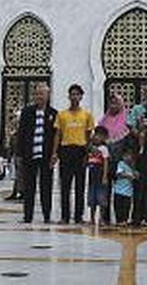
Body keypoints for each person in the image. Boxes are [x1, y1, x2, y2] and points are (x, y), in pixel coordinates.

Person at [15, 82, 56, 224]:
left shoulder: (53, 114)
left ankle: (46, 215)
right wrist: (19, 154)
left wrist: (54, 155)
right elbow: (21, 134)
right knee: (28, 187)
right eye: (37, 94)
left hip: (46, 156)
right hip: (29, 155)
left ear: (47, 96)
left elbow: (56, 137)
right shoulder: (27, 112)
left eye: (42, 94)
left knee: (46, 186)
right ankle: (28, 216)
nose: (39, 97)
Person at [53, 83, 94, 224]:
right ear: (69, 96)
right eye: (72, 94)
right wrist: (55, 153)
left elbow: (89, 135)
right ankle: (65, 216)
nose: (75, 97)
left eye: (77, 94)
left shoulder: (87, 115)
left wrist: (87, 153)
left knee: (80, 186)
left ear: (81, 97)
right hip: (66, 151)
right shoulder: (62, 115)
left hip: (80, 151)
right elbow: (57, 134)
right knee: (65, 185)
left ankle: (78, 216)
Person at [98, 93, 129, 223]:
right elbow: (98, 139)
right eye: (111, 103)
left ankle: (120, 217)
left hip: (120, 162)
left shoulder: (127, 120)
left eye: (116, 103)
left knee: (120, 191)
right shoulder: (104, 120)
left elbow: (129, 142)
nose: (113, 106)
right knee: (104, 190)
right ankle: (104, 217)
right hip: (105, 162)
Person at [87, 125, 110, 225]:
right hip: (92, 175)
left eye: (100, 135)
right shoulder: (91, 148)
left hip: (100, 173)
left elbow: (105, 162)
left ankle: (101, 218)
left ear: (104, 138)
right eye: (96, 134)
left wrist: (105, 176)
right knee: (92, 196)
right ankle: (92, 218)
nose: (97, 137)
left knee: (101, 197)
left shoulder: (104, 149)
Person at [113, 146, 137, 225]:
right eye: (126, 155)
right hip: (119, 190)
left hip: (128, 192)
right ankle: (119, 220)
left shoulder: (132, 166)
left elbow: (136, 175)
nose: (128, 157)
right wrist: (128, 176)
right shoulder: (121, 164)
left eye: (130, 155)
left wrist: (135, 174)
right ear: (123, 156)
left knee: (126, 206)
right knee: (118, 206)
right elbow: (119, 173)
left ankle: (125, 219)